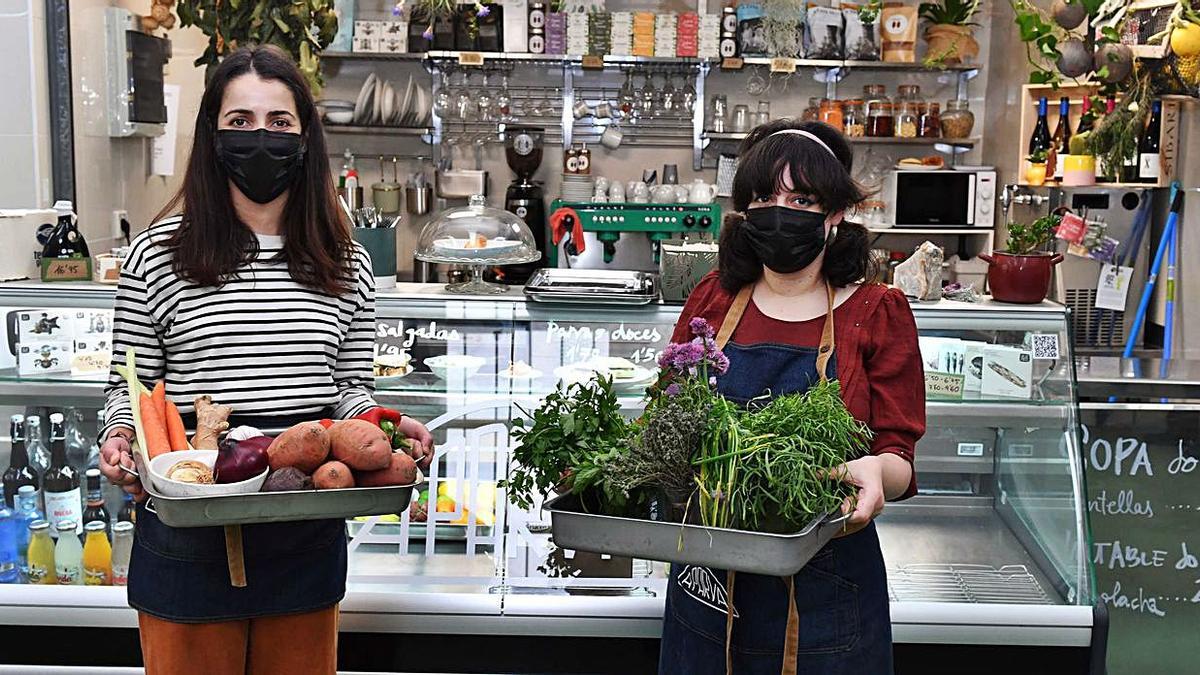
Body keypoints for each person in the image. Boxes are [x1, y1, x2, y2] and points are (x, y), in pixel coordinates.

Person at [96, 45, 433, 675]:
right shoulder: (158, 256)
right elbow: (129, 389)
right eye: (241, 122)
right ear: (213, 135)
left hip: (303, 537)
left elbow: (346, 388)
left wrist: (383, 425)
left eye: (279, 123)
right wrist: (119, 435)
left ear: (306, 139)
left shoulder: (343, 262)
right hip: (187, 541)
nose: (261, 138)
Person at [658, 119, 925, 674]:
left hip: (828, 588)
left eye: (801, 198)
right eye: (764, 197)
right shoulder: (713, 299)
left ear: (834, 214)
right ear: (744, 211)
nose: (780, 211)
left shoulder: (876, 312)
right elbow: (670, 411)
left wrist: (877, 471)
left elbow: (898, 457)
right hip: (709, 582)